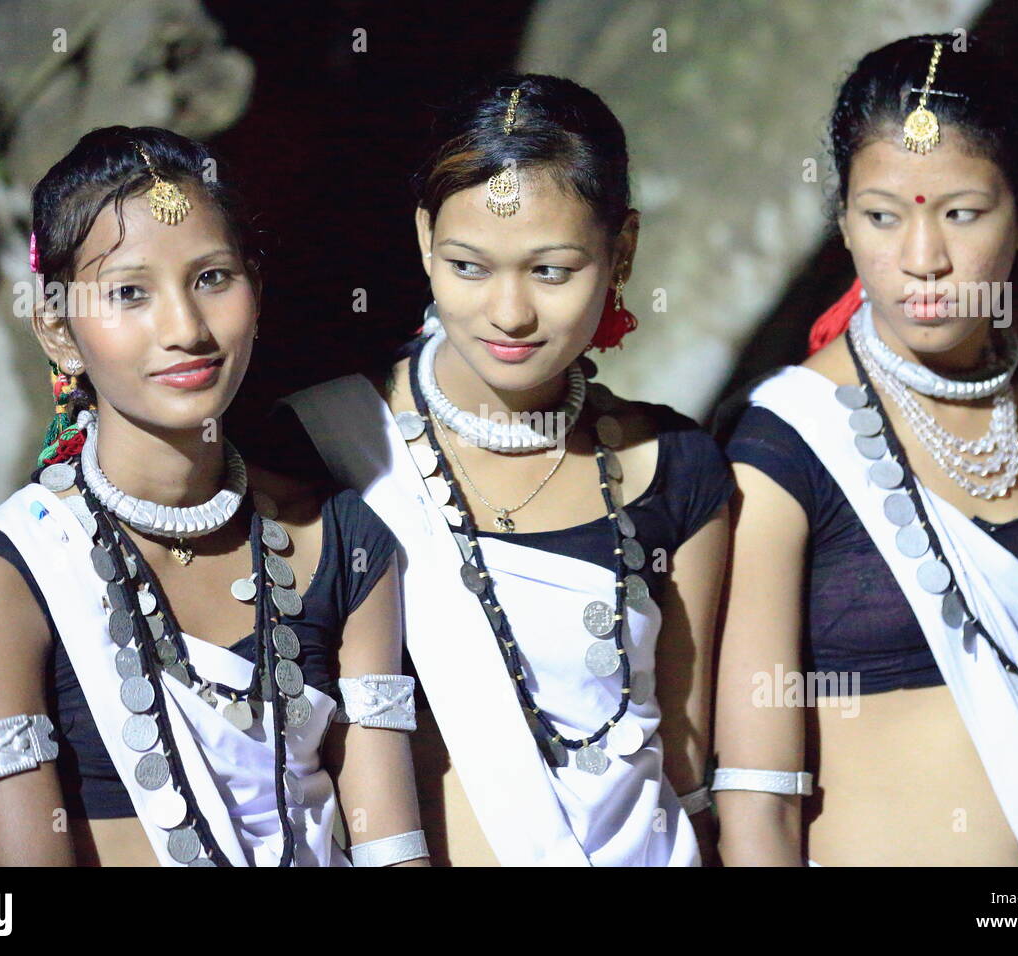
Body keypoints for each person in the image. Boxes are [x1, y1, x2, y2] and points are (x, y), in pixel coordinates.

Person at [712, 34, 1018, 866]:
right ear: (842, 218)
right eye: (882, 216)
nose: (922, 260)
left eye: (960, 213)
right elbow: (755, 793)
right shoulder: (784, 445)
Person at [0, 126, 427, 867]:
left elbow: (393, 849)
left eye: (212, 278)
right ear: (57, 329)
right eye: (130, 292)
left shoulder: (344, 542)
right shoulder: (1, 582)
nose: (186, 329)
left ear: (256, 294)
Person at [275, 74, 733, 865]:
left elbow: (686, 769)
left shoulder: (675, 470)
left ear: (622, 250)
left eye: (551, 271)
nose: (510, 312)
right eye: (469, 266)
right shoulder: (320, 450)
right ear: (424, 239)